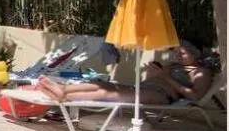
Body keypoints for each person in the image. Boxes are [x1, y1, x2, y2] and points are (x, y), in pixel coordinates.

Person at [34, 42, 217, 107]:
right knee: (103, 85)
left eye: (184, 52)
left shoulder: (202, 72)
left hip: (161, 95)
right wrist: (156, 73)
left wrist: (164, 77)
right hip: (146, 88)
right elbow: (157, 77)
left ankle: (66, 97)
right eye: (177, 51)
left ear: (196, 54)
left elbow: (195, 96)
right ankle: (64, 89)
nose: (179, 55)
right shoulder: (173, 65)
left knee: (111, 94)